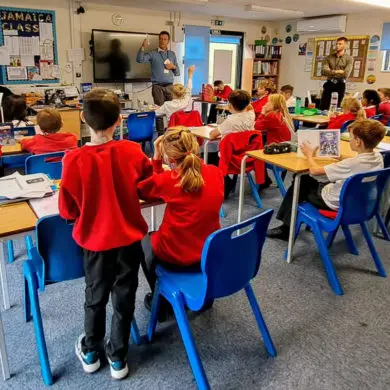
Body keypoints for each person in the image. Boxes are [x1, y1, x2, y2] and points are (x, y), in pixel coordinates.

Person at [58, 89, 153, 380]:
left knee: (95, 296)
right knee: (125, 296)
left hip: (96, 243)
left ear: (84, 120)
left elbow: (67, 211)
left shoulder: (73, 159)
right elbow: (147, 188)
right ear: (119, 120)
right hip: (129, 240)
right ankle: (118, 358)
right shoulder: (133, 151)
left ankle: (90, 351)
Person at [138, 127, 224, 318]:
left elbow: (146, 190)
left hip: (177, 255)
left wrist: (156, 158)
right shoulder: (215, 173)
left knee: (143, 241)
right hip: (208, 253)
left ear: (172, 160)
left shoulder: (170, 180)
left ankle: (161, 301)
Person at [267, 119, 386, 240]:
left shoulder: (352, 164)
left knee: (302, 179)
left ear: (358, 141)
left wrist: (309, 154)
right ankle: (293, 222)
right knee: (311, 181)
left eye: (351, 137)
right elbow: (351, 164)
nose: (350, 139)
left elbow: (314, 170)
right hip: (359, 202)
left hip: (333, 202)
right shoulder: (378, 157)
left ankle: (286, 229)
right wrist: (338, 156)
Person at [137, 31, 180, 134]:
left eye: (165, 39)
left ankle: (173, 132)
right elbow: (140, 59)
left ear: (168, 41)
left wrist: (172, 66)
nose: (162, 41)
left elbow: (177, 72)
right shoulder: (153, 53)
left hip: (170, 86)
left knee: (173, 111)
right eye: (160, 39)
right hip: (157, 86)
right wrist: (142, 47)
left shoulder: (172, 54)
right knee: (159, 111)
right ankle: (161, 134)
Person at [320, 37, 353, 110]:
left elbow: (346, 74)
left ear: (345, 46)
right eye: (337, 44)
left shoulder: (349, 58)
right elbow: (324, 71)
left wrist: (330, 71)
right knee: (323, 107)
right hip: (329, 84)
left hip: (340, 85)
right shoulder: (329, 57)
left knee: (338, 107)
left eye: (340, 44)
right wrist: (337, 71)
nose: (337, 45)